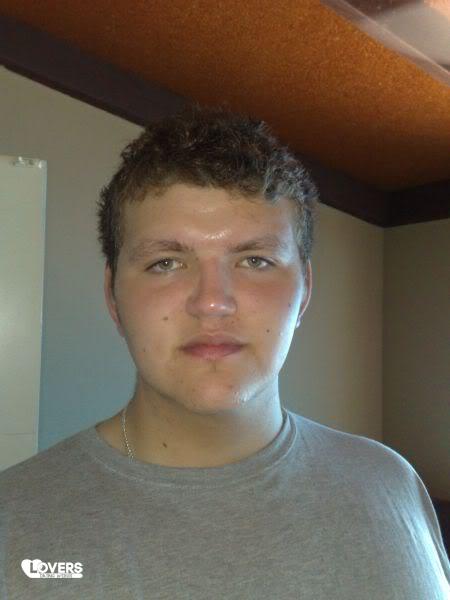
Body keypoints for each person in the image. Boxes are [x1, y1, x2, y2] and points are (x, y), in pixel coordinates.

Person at [0, 104, 449, 599]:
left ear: (304, 292)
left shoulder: (392, 482)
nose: (212, 302)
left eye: (255, 260)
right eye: (166, 263)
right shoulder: (13, 520)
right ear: (113, 296)